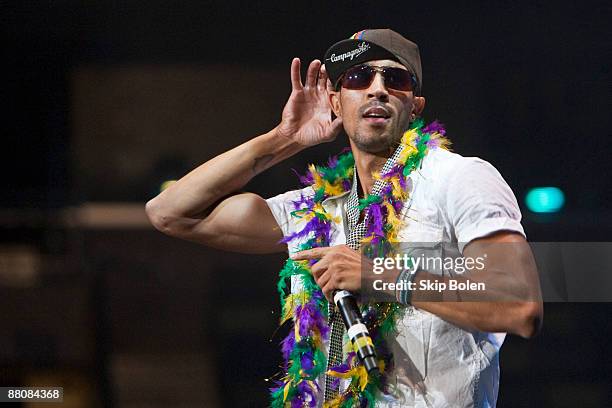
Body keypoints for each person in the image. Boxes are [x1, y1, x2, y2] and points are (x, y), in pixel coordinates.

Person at [146, 28, 543, 408]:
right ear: (335, 103)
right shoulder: (318, 207)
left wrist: (378, 276)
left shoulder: (459, 178)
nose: (377, 88)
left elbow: (519, 305)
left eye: (395, 78)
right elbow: (170, 213)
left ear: (415, 105)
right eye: (358, 76)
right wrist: (284, 137)